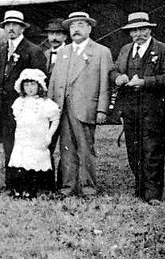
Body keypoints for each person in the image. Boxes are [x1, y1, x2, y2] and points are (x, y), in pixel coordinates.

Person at [111, 12, 165, 204]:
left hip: (155, 109)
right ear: (129, 33)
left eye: (142, 29)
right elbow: (114, 70)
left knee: (152, 150)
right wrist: (117, 77)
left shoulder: (163, 50)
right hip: (130, 108)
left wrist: (146, 82)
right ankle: (140, 187)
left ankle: (153, 193)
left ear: (149, 29)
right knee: (134, 149)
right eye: (134, 30)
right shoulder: (125, 50)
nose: (138, 33)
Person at [48, 11, 113, 198]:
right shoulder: (63, 52)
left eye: (81, 25)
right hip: (63, 108)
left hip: (86, 108)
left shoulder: (101, 52)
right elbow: (54, 81)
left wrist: (102, 109)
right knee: (66, 149)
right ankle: (67, 187)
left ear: (90, 28)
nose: (76, 29)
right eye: (73, 26)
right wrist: (52, 108)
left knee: (85, 150)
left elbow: (105, 84)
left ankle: (88, 188)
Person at [0, 10, 47, 187]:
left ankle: (30, 183)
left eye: (15, 25)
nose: (11, 28)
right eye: (7, 25)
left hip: (26, 107)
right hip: (6, 107)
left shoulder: (33, 51)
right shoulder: (3, 50)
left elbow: (40, 82)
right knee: (10, 144)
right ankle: (13, 183)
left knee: (28, 143)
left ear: (22, 28)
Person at [7, 69, 60, 198]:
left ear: (40, 86)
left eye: (33, 85)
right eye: (26, 85)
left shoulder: (46, 103)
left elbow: (55, 120)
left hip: (38, 138)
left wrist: (49, 135)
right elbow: (16, 118)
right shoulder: (19, 102)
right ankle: (19, 188)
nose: (29, 88)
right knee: (21, 160)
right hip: (22, 137)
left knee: (35, 161)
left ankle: (34, 189)